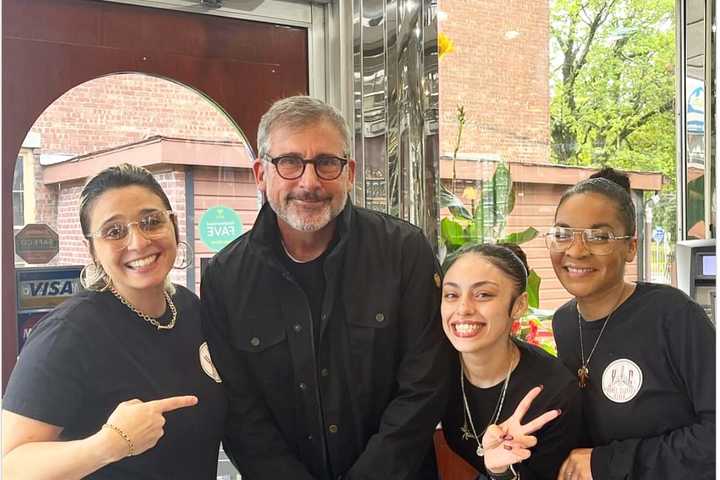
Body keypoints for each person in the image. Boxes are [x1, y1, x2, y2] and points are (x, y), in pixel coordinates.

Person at [201, 95, 454, 480]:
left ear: (349, 172)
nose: (309, 182)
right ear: (260, 174)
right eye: (289, 162)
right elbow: (240, 413)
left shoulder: (404, 251)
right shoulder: (224, 278)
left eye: (326, 163)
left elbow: (426, 384)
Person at [2, 164, 226, 479]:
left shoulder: (189, 308)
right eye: (114, 231)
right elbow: (11, 466)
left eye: (151, 221)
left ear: (173, 225)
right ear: (92, 249)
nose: (138, 242)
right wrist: (107, 445)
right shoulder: (68, 334)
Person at [547, 167, 715, 480]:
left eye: (599, 237)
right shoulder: (565, 324)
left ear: (631, 247)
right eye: (562, 233)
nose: (576, 250)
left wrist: (608, 464)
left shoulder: (673, 316)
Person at [440, 243, 583, 480]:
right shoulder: (434, 370)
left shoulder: (555, 393)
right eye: (451, 295)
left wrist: (501, 471)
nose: (463, 308)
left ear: (519, 305)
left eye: (483, 295)